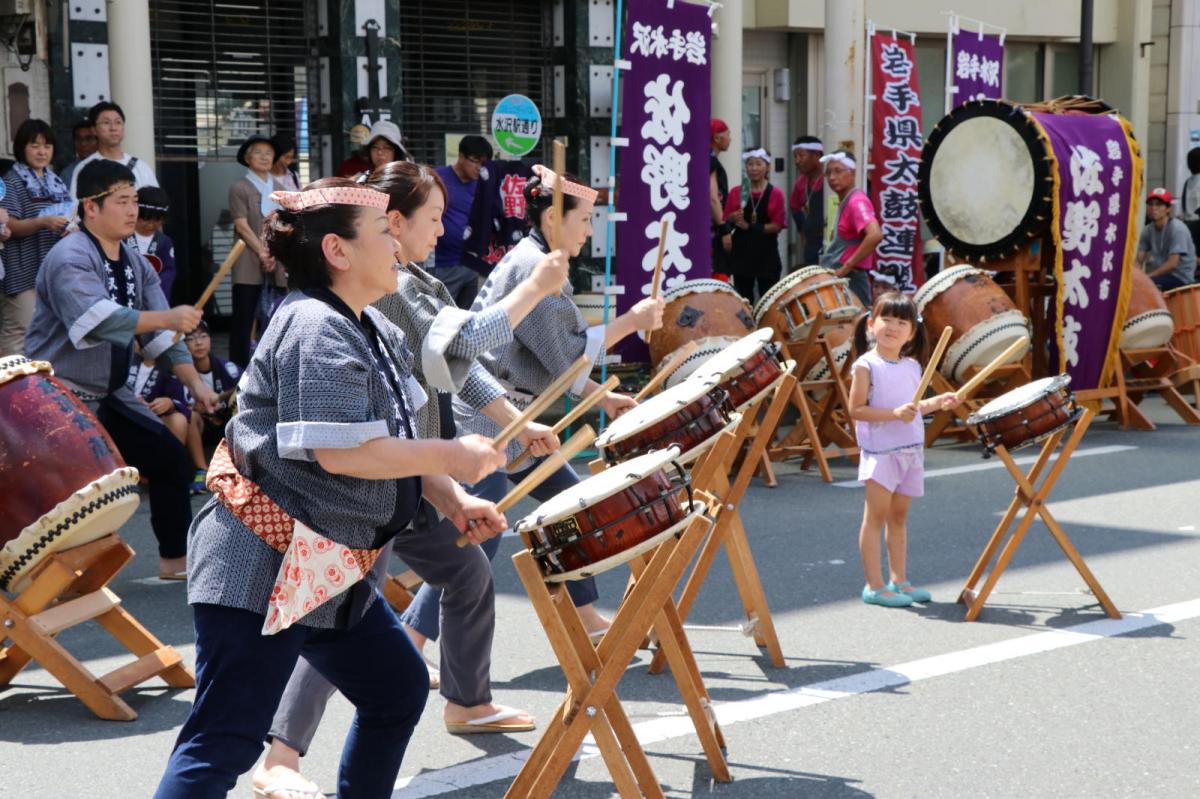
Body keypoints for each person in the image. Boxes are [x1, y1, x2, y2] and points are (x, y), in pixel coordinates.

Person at [153, 178, 510, 798]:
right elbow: (343, 451)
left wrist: (452, 497)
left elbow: (394, 437)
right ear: (337, 251)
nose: (396, 245)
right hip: (261, 566)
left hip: (323, 568)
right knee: (223, 741)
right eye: (382, 233)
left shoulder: (371, 325)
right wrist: (456, 454)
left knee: (396, 690)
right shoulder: (315, 325)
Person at [253, 160, 569, 794]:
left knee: (464, 575)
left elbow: (450, 369)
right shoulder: (361, 295)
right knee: (341, 619)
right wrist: (534, 288)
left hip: (414, 471)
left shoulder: (408, 281)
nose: (441, 229)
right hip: (378, 479)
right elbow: (457, 348)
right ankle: (280, 755)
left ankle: (467, 699)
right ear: (386, 225)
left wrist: (507, 425)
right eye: (432, 218)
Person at [451, 165, 662, 676]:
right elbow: (567, 355)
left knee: (571, 507)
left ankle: (585, 616)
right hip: (489, 416)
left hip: (516, 417)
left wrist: (600, 398)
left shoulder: (540, 262)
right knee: (474, 539)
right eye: (584, 219)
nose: (590, 230)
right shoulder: (536, 267)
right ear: (552, 218)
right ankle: (414, 638)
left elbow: (551, 361)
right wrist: (632, 322)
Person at [23, 160, 218, 579]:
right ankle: (52, 577)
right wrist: (168, 318)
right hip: (60, 397)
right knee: (73, 495)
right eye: (122, 201)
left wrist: (196, 385)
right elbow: (97, 320)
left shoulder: (134, 261)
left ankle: (175, 560)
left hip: (110, 392)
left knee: (170, 460)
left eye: (134, 200)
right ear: (90, 207)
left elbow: (161, 337)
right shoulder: (69, 257)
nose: (133, 210)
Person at [847, 293, 958, 608]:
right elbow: (856, 410)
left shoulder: (912, 365)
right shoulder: (865, 365)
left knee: (899, 517)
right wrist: (894, 414)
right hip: (881, 452)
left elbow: (913, 406)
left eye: (901, 322)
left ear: (911, 332)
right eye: (886, 319)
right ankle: (874, 585)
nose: (893, 327)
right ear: (871, 324)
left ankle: (899, 580)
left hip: (910, 450)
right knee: (875, 517)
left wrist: (938, 402)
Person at [0, 118, 67, 355]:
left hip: (51, 269)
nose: (42, 152)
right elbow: (8, 225)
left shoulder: (56, 182)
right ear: (22, 148)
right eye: (34, 145)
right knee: (19, 331)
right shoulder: (12, 180)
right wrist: (42, 222)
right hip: (21, 270)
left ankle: (37, 380)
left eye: (47, 146)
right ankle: (9, 379)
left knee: (46, 333)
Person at [228, 133, 288, 368]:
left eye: (269, 153)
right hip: (248, 258)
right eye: (258, 152)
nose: (264, 157)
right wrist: (263, 251)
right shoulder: (240, 187)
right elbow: (241, 225)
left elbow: (284, 223)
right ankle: (237, 370)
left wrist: (273, 252)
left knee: (277, 314)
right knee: (244, 318)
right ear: (247, 158)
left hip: (277, 259)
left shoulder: (280, 189)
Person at [433, 135, 493, 308]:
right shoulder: (438, 178)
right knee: (441, 313)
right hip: (444, 263)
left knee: (469, 316)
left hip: (472, 264)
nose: (479, 168)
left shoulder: (483, 184)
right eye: (475, 161)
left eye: (484, 163)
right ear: (461, 156)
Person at [180, 321, 241, 493]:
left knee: (240, 400)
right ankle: (202, 469)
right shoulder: (180, 372)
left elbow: (247, 385)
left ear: (210, 340)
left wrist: (222, 398)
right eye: (191, 339)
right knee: (189, 415)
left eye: (203, 336)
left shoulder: (227, 367)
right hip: (199, 428)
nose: (198, 343)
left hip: (224, 423)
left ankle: (241, 465)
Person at [820, 149, 882, 307]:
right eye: (828, 173)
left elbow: (875, 235)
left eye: (838, 171)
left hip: (851, 280)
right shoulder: (846, 200)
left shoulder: (856, 202)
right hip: (842, 279)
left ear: (852, 173)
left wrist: (846, 267)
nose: (832, 177)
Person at [724, 148, 786, 303]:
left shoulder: (775, 193)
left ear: (767, 167)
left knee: (768, 300)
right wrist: (733, 217)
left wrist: (751, 227)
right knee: (744, 300)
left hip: (767, 254)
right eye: (750, 164)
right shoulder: (737, 192)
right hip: (742, 254)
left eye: (758, 164)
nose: (754, 168)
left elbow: (777, 225)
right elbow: (726, 220)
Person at [68, 101, 158, 199]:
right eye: (106, 123)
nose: (113, 128)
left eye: (118, 122)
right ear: (94, 130)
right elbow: (77, 206)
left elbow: (155, 204)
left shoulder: (141, 167)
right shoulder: (84, 168)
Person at [1137, 188, 1197, 291]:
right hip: (1161, 276)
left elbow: (1172, 264)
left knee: (1146, 286)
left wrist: (1147, 277)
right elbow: (1138, 260)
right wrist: (1136, 276)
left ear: (1168, 209)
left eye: (1159, 204)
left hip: (1180, 277)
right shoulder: (1147, 230)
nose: (1154, 208)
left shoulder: (1178, 229)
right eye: (1150, 204)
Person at [132, 186, 178, 301]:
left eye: (156, 220)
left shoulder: (164, 242)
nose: (150, 224)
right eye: (145, 218)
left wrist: (154, 292)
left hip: (154, 298)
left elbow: (168, 271)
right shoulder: (122, 238)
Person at [789, 135, 825, 266]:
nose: (797, 161)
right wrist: (802, 230)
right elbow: (794, 206)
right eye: (795, 156)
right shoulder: (801, 182)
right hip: (811, 244)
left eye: (801, 156)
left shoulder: (829, 179)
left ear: (817, 155)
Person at [710, 118, 732, 281]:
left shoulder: (702, 158)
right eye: (727, 134)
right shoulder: (709, 160)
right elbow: (712, 198)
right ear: (717, 138)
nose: (730, 138)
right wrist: (724, 229)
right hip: (712, 232)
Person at [58, 120, 98, 188]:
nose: (83, 144)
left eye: (88, 139)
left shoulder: (110, 167)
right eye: (78, 139)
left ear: (98, 141)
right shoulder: (67, 174)